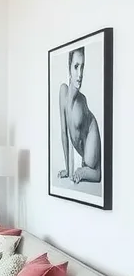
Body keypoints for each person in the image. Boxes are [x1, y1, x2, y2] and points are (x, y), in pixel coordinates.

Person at [58, 46, 101, 183]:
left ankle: (94, 171)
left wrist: (84, 169)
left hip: (91, 130)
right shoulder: (63, 91)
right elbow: (64, 133)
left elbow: (82, 141)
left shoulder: (82, 102)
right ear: (69, 67)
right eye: (76, 66)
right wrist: (68, 169)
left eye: (82, 67)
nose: (80, 74)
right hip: (85, 138)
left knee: (90, 163)